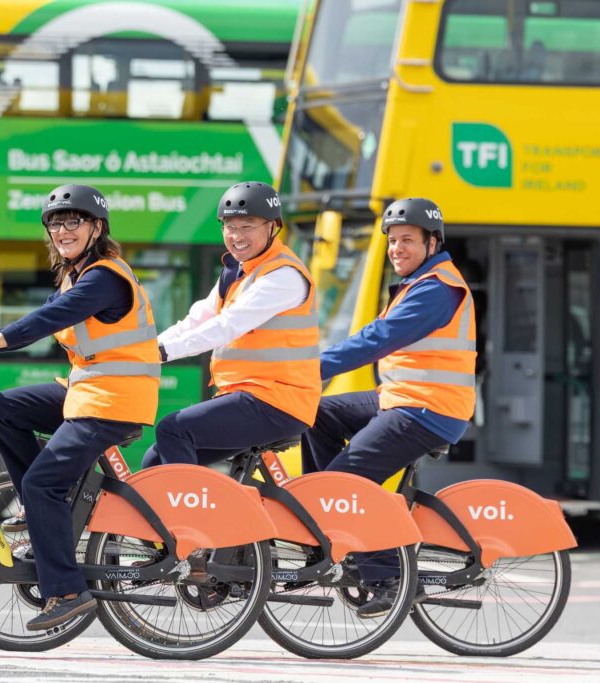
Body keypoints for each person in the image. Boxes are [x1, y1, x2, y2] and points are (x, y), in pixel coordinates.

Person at [0, 184, 161, 631]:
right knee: (2, 408)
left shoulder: (104, 277)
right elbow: (33, 320)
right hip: (88, 391)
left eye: (73, 221)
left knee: (45, 483)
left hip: (115, 399)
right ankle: (38, 509)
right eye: (55, 223)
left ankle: (66, 591)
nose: (63, 230)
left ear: (96, 228)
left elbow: (45, 322)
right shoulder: (74, 275)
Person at [302, 197, 476, 617]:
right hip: (400, 399)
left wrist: (311, 366)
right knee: (316, 413)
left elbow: (378, 338)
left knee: (346, 476)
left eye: (407, 241)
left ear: (432, 243)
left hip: (428, 409)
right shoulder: (417, 283)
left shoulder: (437, 288)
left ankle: (386, 576)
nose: (397, 248)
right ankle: (331, 523)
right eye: (393, 241)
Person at [142, 181, 321, 470]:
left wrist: (163, 353)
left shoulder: (284, 276)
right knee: (156, 458)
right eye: (229, 227)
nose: (236, 236)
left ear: (273, 226)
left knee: (172, 429)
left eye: (247, 226)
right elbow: (197, 319)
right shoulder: (237, 271)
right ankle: (183, 510)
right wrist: (143, 350)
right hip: (247, 396)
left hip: (277, 402)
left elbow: (228, 325)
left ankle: (186, 512)